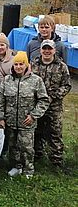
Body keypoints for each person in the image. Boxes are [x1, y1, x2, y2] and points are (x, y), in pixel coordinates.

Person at [0, 51, 49, 178]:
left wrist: (33, 115)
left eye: (21, 64)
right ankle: (16, 166)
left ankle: (28, 169)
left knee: (27, 147)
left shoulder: (36, 81)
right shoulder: (7, 80)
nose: (18, 67)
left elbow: (44, 100)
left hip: (27, 122)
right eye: (16, 64)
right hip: (10, 121)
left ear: (26, 65)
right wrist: (1, 118)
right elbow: (0, 101)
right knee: (12, 146)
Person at [30, 40, 71, 168]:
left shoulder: (61, 66)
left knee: (55, 132)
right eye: (44, 49)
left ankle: (56, 160)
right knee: (37, 131)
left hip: (54, 106)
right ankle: (37, 155)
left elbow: (67, 85)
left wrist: (54, 96)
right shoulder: (34, 64)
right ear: (41, 50)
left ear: (54, 50)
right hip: (38, 105)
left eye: (49, 49)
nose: (47, 51)